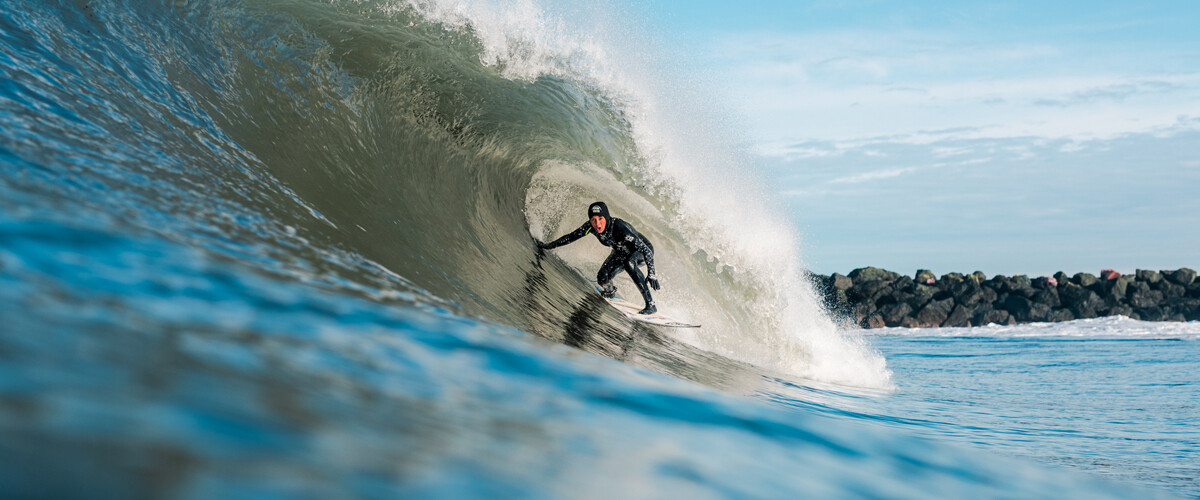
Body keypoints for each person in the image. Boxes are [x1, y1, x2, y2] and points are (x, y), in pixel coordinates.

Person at [536, 201, 661, 314]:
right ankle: (610, 291)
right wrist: (547, 246)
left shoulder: (620, 228)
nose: (597, 224)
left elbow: (646, 250)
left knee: (629, 263)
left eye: (600, 219)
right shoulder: (590, 227)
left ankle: (651, 305)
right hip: (620, 251)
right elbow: (570, 237)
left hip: (641, 252)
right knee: (602, 278)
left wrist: (652, 274)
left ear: (606, 217)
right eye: (593, 220)